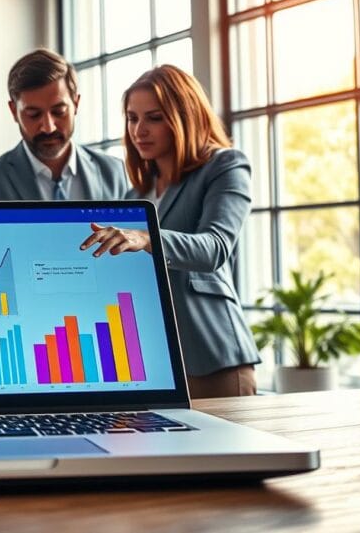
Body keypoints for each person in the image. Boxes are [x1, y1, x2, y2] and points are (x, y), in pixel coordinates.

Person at [79, 65, 260, 399]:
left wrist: (148, 238)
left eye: (154, 118)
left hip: (211, 355)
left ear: (185, 117)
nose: (139, 130)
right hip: (153, 363)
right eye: (132, 118)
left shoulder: (225, 165)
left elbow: (215, 247)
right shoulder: (136, 194)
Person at [0, 48, 130, 201]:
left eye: (59, 111)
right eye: (33, 114)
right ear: (14, 111)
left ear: (76, 104)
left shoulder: (114, 172)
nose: (48, 127)